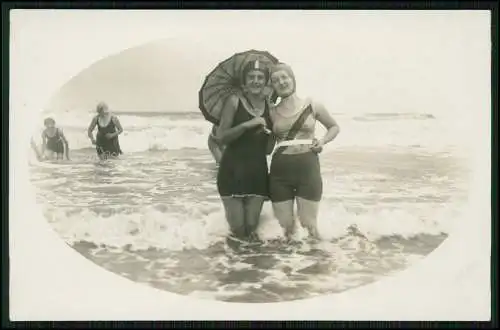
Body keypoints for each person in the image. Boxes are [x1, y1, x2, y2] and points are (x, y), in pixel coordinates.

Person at [268, 63, 340, 241]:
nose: (281, 82)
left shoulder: (312, 105)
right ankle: (289, 268)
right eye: (275, 81)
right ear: (273, 87)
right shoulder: (270, 111)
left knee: (310, 228)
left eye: (284, 77)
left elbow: (334, 127)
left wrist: (322, 141)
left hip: (307, 170)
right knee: (286, 230)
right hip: (279, 174)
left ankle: (318, 263)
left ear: (292, 79)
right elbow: (267, 145)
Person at [213, 60, 275, 243]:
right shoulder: (234, 101)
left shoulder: (270, 108)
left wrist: (272, 134)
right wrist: (249, 124)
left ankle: (250, 269)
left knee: (251, 229)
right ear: (245, 81)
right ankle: (232, 267)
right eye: (251, 77)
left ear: (265, 82)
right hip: (232, 171)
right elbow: (221, 137)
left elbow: (268, 150)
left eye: (260, 77)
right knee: (238, 230)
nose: (256, 81)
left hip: (257, 172)